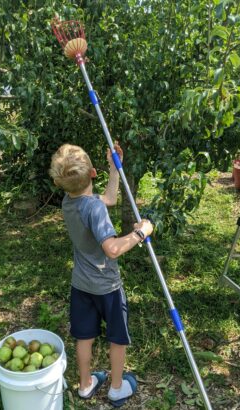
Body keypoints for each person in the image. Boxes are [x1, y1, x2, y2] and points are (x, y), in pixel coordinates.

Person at [49, 143, 153, 407]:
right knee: (117, 337)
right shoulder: (93, 209)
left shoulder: (69, 200)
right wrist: (141, 232)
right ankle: (116, 388)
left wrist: (114, 167)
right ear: (92, 173)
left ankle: (85, 385)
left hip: (81, 284)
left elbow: (109, 198)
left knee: (84, 336)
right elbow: (113, 249)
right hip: (107, 285)